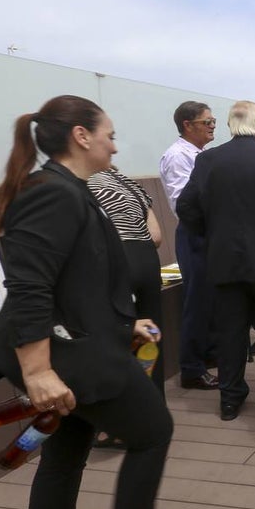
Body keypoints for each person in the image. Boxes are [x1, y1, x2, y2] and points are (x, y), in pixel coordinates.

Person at [0, 95, 181, 509]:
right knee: (153, 430)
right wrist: (38, 370)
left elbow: (77, 278)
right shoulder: (53, 194)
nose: (114, 142)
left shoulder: (70, 190)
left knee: (66, 452)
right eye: (108, 133)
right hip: (71, 357)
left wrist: (125, 319)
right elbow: (30, 287)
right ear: (81, 137)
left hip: (84, 342)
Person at [177, 100, 255, 422]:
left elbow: (186, 207)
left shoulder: (208, 160)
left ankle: (230, 399)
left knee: (230, 333)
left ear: (230, 125)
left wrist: (211, 233)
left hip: (224, 262)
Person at [87, 166, 165, 399]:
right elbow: (156, 237)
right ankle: (153, 398)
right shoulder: (131, 184)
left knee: (118, 334)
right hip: (148, 260)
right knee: (150, 335)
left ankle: (121, 403)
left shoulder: (84, 183)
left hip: (118, 262)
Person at [159, 102, 219, 391]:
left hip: (209, 234)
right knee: (196, 301)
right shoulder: (177, 156)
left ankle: (207, 356)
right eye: (206, 122)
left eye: (213, 121)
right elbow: (185, 204)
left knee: (210, 300)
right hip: (195, 234)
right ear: (187, 124)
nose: (212, 127)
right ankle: (191, 369)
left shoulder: (201, 155)